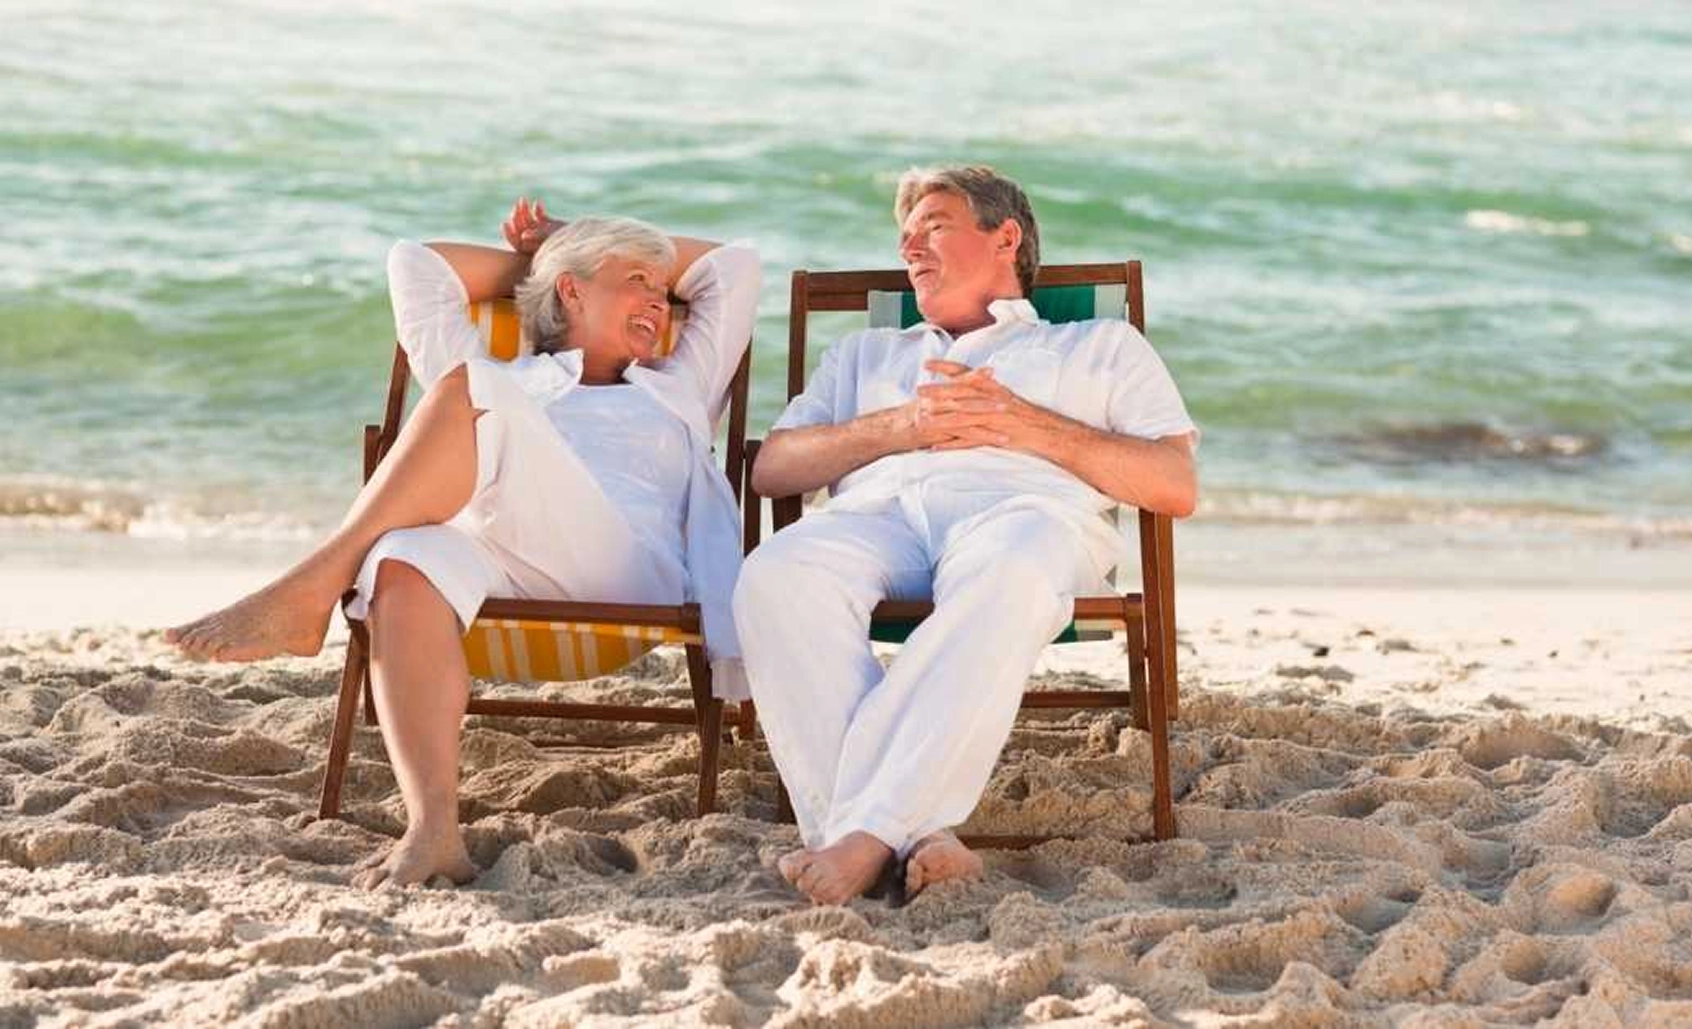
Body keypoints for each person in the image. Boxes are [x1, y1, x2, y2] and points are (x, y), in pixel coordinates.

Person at [166, 199, 760, 888]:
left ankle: (313, 586)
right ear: (570, 290)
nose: (662, 303)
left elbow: (734, 266)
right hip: (498, 562)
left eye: (664, 291)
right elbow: (414, 265)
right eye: (640, 283)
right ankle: (434, 829)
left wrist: (567, 237)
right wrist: (555, 258)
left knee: (471, 387)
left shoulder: (678, 382)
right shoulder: (512, 379)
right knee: (401, 561)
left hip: (625, 568)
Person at [734, 166, 1198, 906]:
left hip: (1022, 514)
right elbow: (775, 470)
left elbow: (1174, 483)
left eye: (934, 225)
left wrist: (1030, 426)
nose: (909, 244)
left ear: (1004, 237)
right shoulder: (865, 354)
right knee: (774, 573)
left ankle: (856, 833)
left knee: (1010, 570)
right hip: (877, 515)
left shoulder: (1098, 345)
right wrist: (899, 427)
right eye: (905, 233)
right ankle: (913, 834)